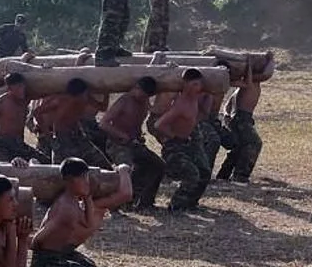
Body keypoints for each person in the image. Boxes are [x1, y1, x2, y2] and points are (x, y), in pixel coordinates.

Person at [99, 76, 166, 211]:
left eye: (145, 96)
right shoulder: (124, 101)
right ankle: (116, 204)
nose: (141, 97)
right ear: (136, 87)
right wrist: (121, 135)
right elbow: (104, 123)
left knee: (158, 165)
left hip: (134, 143)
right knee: (125, 169)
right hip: (117, 144)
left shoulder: (144, 101)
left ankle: (145, 202)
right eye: (140, 93)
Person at [154, 68, 211, 211]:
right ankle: (176, 206)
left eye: (199, 84)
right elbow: (158, 125)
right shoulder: (180, 105)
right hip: (174, 147)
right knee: (192, 174)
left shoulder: (195, 98)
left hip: (188, 142)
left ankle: (191, 203)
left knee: (205, 171)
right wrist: (174, 137)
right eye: (195, 85)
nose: (199, 88)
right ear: (186, 85)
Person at [32, 78, 111, 168]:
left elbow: (103, 107)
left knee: (101, 163)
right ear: (78, 95)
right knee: (62, 169)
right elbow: (37, 112)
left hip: (79, 135)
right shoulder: (60, 101)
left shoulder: (86, 99)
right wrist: (48, 134)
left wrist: (106, 93)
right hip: (62, 138)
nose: (86, 96)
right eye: (85, 94)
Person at [0, 72, 48, 163]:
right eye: (18, 87)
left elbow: (44, 93)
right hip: (3, 144)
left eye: (23, 87)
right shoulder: (2, 102)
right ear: (10, 89)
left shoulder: (25, 99)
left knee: (45, 161)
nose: (21, 90)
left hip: (20, 144)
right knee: (10, 168)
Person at [217, 62, 264, 183]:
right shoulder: (248, 84)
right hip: (241, 118)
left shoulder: (241, 88)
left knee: (238, 147)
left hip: (240, 118)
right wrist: (249, 64)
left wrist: (226, 115)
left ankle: (224, 175)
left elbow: (227, 105)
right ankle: (240, 175)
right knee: (254, 143)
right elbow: (266, 73)